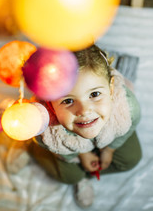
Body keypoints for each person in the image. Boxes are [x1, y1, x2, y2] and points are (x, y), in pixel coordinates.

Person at [28, 44, 142, 208]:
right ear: (50, 103)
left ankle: (86, 170)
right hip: (68, 148)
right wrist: (81, 155)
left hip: (110, 133)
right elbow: (56, 147)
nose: (84, 111)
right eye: (67, 100)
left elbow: (129, 128)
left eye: (94, 94)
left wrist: (110, 150)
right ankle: (30, 150)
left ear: (110, 89)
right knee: (70, 177)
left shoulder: (127, 107)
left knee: (131, 159)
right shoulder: (46, 130)